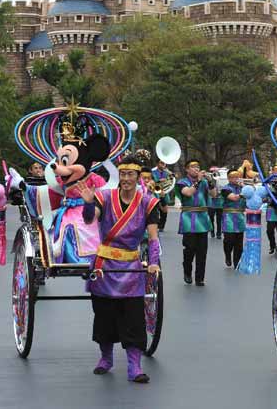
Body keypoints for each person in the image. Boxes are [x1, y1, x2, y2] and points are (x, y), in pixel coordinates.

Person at [79, 156, 161, 383]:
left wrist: (153, 262)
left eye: (130, 175)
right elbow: (89, 220)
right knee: (104, 315)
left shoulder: (148, 202)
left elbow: (153, 237)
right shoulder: (104, 197)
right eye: (122, 174)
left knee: (133, 317)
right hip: (104, 266)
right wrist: (87, 203)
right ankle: (106, 358)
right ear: (119, 176)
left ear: (137, 177)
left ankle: (134, 366)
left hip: (131, 269)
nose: (126, 179)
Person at [174, 159, 217, 286]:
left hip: (203, 218)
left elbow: (214, 195)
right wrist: (198, 180)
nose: (196, 169)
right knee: (190, 248)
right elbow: (188, 193)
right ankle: (187, 271)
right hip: (189, 218)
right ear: (187, 169)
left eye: (198, 167)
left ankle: (200, 278)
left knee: (202, 251)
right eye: (193, 167)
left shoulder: (204, 182)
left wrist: (210, 182)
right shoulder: (182, 182)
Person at [221, 170, 246, 268]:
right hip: (229, 217)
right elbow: (234, 198)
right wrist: (245, 191)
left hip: (240, 216)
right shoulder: (225, 189)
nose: (236, 179)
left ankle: (237, 263)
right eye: (233, 177)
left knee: (239, 242)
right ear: (229, 178)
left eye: (237, 177)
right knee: (229, 240)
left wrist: (246, 188)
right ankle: (227, 255)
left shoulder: (242, 188)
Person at [151, 160, 171, 232]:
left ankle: (161, 226)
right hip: (155, 192)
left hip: (164, 193)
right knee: (155, 209)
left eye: (164, 163)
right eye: (161, 163)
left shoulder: (167, 173)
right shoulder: (152, 172)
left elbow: (171, 182)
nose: (163, 164)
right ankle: (155, 224)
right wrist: (159, 181)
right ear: (157, 163)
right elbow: (152, 182)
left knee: (165, 210)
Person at [207, 167, 224, 239]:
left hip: (219, 203)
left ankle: (219, 233)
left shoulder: (221, 181)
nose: (215, 173)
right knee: (211, 219)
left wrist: (220, 192)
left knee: (219, 219)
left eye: (216, 172)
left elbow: (223, 191)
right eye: (213, 172)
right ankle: (212, 232)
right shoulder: (207, 181)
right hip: (211, 203)